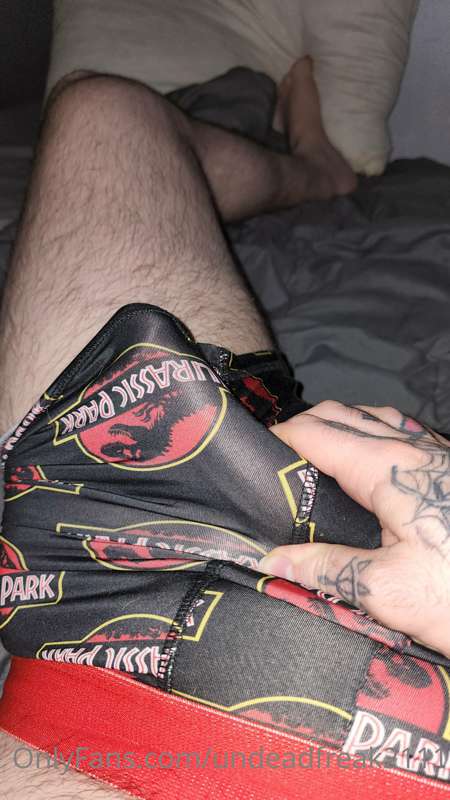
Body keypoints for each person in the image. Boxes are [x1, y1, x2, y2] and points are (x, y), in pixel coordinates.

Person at [0, 58, 448, 800]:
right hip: (224, 613)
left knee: (106, 112)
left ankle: (312, 169)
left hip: (120, 689)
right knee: (105, 114)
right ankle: (316, 170)